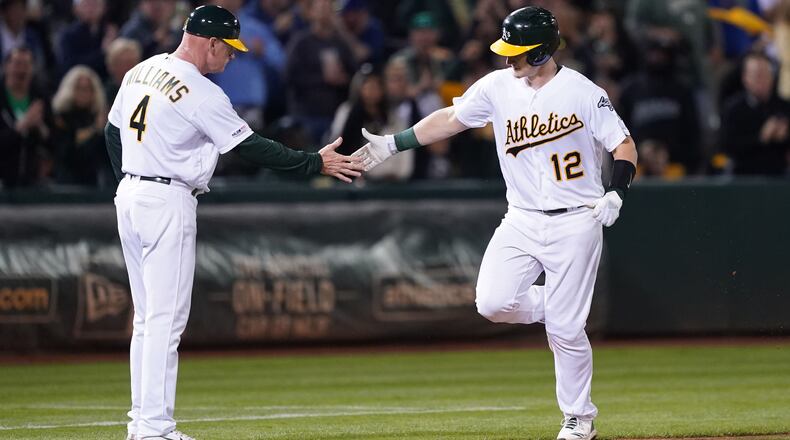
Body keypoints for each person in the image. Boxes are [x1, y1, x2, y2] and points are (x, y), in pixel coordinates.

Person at [352, 7, 637, 440]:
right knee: (492, 302)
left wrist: (617, 191)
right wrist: (394, 144)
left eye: (517, 52)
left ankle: (579, 419)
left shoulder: (583, 92)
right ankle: (559, 311)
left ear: (542, 51)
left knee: (565, 331)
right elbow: (451, 119)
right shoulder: (498, 86)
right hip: (520, 217)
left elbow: (624, 145)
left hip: (576, 221)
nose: (508, 59)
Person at [104, 5, 362, 440]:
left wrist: (131, 179)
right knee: (164, 322)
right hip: (167, 198)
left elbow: (113, 133)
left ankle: (142, 425)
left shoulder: (141, 70)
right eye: (229, 49)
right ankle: (153, 429)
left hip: (130, 194)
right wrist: (312, 162)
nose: (233, 57)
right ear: (209, 43)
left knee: (148, 320)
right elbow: (252, 147)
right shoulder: (200, 91)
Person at [720, 51, 790, 175]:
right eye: (756, 75)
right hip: (743, 178)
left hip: (778, 177)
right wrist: (761, 137)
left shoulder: (784, 106)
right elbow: (728, 146)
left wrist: (784, 135)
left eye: (764, 74)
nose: (761, 80)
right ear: (745, 78)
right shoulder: (734, 108)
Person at [51, 65, 111, 186]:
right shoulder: (61, 117)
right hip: (66, 181)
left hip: (94, 182)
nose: (84, 93)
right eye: (79, 88)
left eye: (88, 89)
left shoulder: (98, 117)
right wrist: (95, 130)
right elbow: (69, 153)